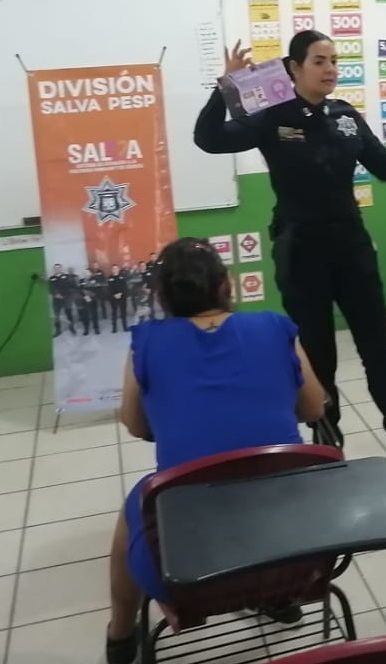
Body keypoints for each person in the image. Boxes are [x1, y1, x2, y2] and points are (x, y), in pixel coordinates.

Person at [193, 30, 386, 475]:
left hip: (351, 249)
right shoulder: (271, 116)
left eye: (334, 60)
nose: (330, 69)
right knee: (319, 359)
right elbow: (209, 139)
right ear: (294, 68)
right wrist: (225, 87)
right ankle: (327, 452)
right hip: (301, 252)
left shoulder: (345, 115)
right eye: (319, 61)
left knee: (378, 352)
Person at [105, 237, 326, 664]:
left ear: (160, 295)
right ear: (227, 284)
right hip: (297, 535)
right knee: (269, 479)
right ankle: (277, 593)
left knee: (134, 513)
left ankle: (120, 634)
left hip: (190, 554)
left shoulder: (146, 343)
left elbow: (136, 425)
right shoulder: (275, 327)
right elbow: (314, 408)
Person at [48, 263, 75, 337]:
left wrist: (66, 295)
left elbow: (71, 286)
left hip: (66, 298)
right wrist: (55, 294)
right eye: (55, 268)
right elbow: (49, 288)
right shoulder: (51, 278)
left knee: (69, 314)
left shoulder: (66, 276)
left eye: (58, 268)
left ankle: (71, 327)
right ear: (54, 269)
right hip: (56, 300)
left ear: (61, 269)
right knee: (57, 315)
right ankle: (58, 330)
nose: (57, 269)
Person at [108, 264, 129, 334]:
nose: (115, 270)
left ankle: (125, 327)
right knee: (114, 313)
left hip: (122, 297)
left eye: (116, 268)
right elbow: (110, 288)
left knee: (123, 313)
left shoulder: (122, 277)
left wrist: (120, 294)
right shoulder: (110, 278)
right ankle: (114, 328)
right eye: (113, 268)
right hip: (113, 298)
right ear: (112, 270)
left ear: (118, 269)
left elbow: (124, 287)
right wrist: (114, 295)